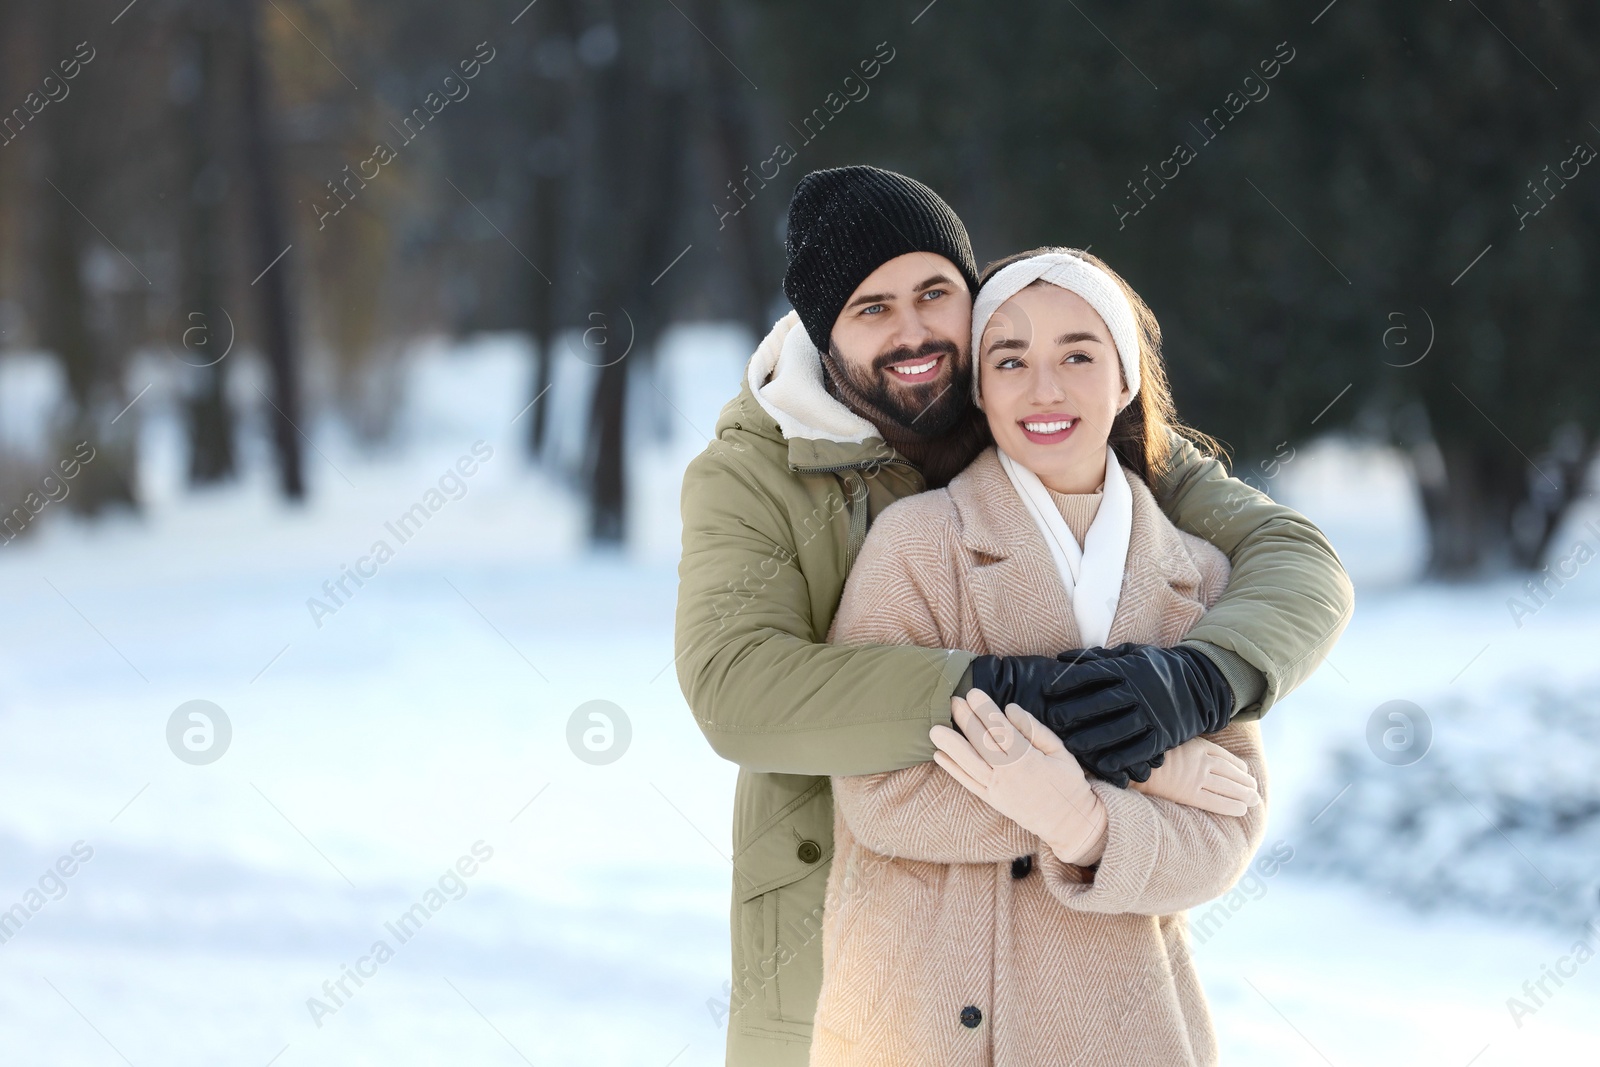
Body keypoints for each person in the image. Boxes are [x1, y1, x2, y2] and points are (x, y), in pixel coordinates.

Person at [674, 165, 1352, 1067]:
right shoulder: (755, 474)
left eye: (934, 294)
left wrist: (1196, 683)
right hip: (851, 940)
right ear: (822, 333)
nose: (913, 331)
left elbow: (1298, 563)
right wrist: (1080, 728)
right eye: (871, 308)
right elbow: (738, 690)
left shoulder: (1070, 420)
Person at [813, 247, 1280, 1065]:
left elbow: (1229, 826)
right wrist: (1147, 771)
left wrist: (1086, 821)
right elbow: (879, 789)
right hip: (926, 1016)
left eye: (1077, 354)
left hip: (1128, 1023)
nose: (1045, 388)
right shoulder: (917, 548)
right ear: (980, 387)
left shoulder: (1197, 574)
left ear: (1127, 378)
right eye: (1010, 359)